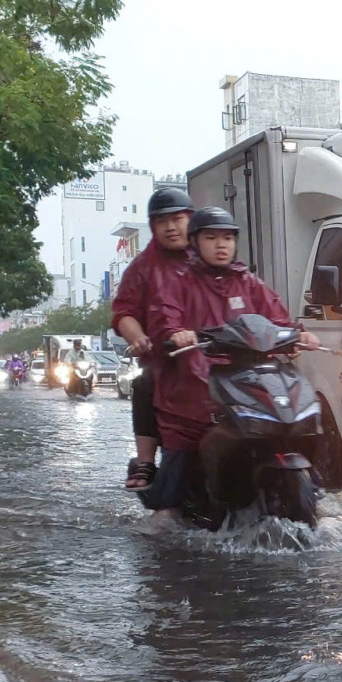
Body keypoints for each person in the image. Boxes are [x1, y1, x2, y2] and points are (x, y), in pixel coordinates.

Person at [138, 206, 315, 515]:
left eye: (228, 238)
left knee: (298, 423)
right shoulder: (177, 283)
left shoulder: (249, 283)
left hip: (249, 382)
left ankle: (312, 487)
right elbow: (165, 316)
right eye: (211, 238)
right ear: (195, 242)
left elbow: (279, 319)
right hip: (193, 388)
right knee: (168, 503)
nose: (221, 245)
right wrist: (176, 333)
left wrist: (298, 335)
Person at [111, 187, 195, 490]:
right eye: (162, 221)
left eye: (177, 219)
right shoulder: (141, 268)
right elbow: (124, 313)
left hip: (213, 356)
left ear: (191, 220)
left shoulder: (208, 259)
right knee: (144, 383)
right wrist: (139, 338)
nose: (171, 227)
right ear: (152, 226)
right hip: (165, 359)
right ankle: (145, 460)